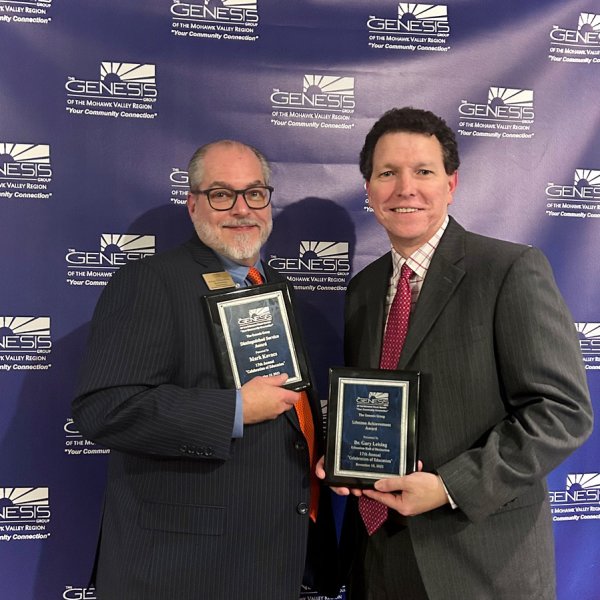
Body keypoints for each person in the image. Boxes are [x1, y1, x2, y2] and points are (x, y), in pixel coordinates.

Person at [317, 107, 593, 599]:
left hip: (480, 564)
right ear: (369, 189)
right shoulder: (363, 289)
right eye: (387, 173)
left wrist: (449, 486)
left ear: (451, 183)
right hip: (377, 556)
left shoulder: (509, 270)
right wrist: (341, 458)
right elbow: (373, 405)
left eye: (423, 171)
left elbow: (562, 413)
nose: (405, 188)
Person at [72, 140, 339, 600]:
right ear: (193, 204)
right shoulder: (150, 281)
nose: (242, 209)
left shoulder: (275, 286)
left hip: (270, 557)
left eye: (255, 193)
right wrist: (234, 409)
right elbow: (104, 407)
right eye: (222, 194)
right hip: (181, 569)